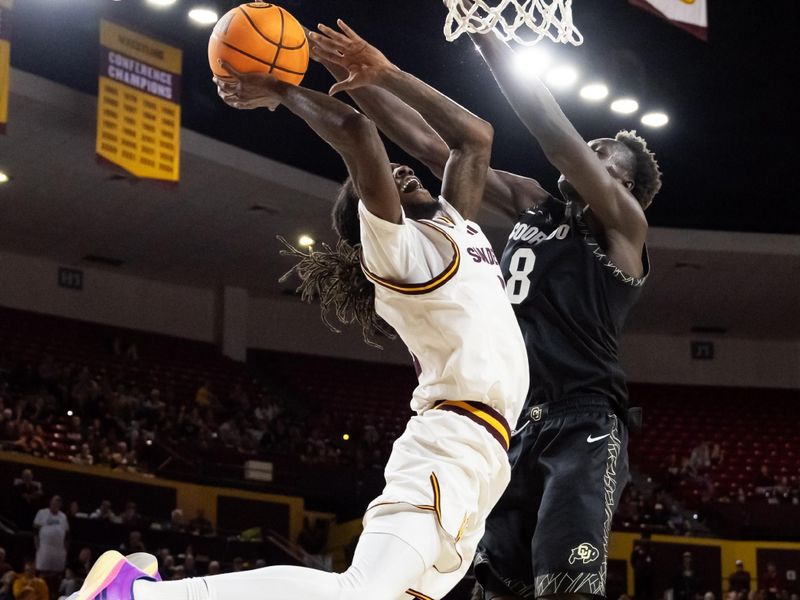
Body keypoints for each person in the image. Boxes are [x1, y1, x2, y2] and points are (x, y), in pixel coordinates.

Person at [73, 16, 527, 600]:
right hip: (451, 439)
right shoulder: (396, 254)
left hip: (487, 457)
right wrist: (282, 89)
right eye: (389, 177)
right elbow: (358, 135)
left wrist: (379, 74)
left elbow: (476, 139)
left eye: (400, 166)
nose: (402, 167)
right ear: (371, 220)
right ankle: (137, 593)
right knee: (358, 591)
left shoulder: (454, 227)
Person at [308, 13, 661, 600]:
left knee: (566, 586)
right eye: (591, 145)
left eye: (601, 155)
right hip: (511, 424)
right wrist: (361, 81)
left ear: (623, 187)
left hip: (584, 424)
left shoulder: (624, 230)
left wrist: (489, 39)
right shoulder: (535, 204)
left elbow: (554, 134)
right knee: (497, 588)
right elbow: (433, 146)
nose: (585, 153)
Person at [33, 496, 69, 593]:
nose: (55, 504)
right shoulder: (42, 513)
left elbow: (66, 534)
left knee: (56, 574)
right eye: (54, 502)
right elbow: (35, 530)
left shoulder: (63, 516)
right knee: (43, 572)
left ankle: (53, 594)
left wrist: (65, 549)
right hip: (44, 548)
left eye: (58, 503)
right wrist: (36, 543)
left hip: (58, 550)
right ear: (50, 503)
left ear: (60, 505)